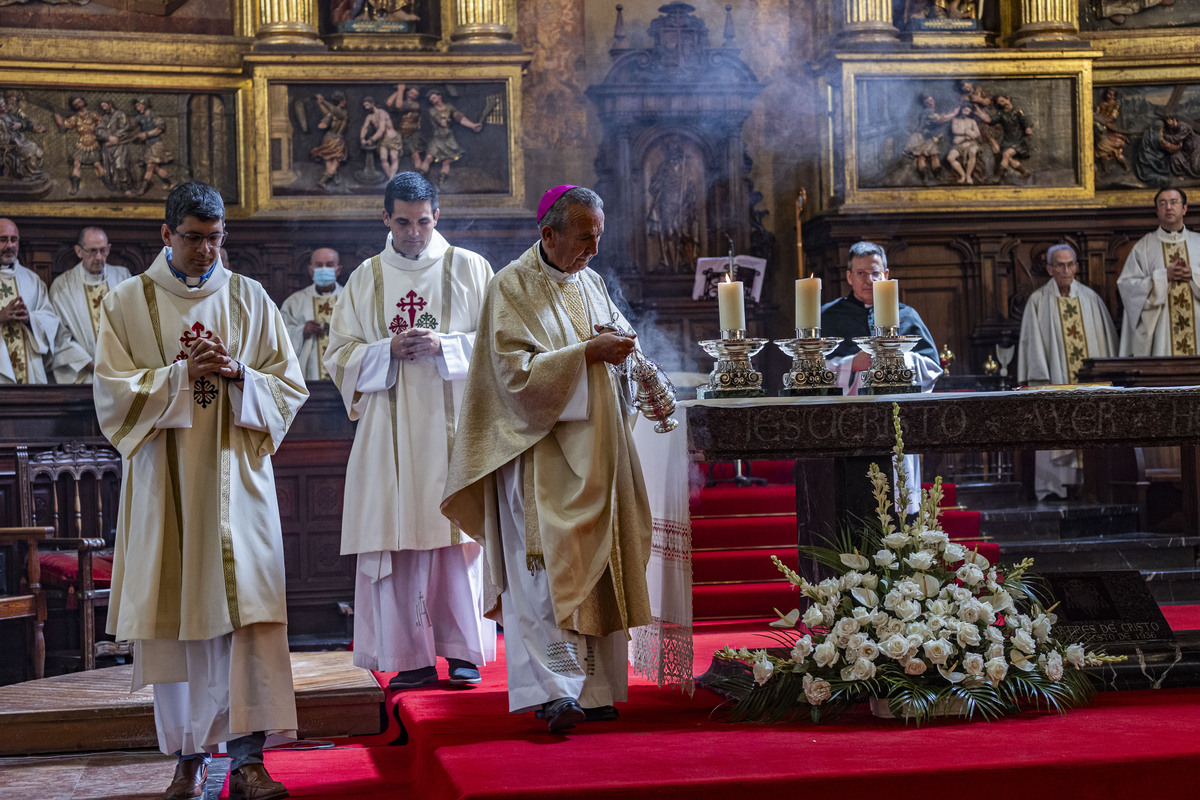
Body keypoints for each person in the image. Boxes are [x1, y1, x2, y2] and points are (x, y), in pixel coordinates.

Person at [93, 182, 308, 800]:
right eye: (194, 238)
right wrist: (183, 376)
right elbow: (112, 394)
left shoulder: (250, 297)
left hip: (238, 482)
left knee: (247, 616)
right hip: (165, 487)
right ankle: (187, 759)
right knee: (178, 620)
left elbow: (290, 386)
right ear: (166, 235)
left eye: (216, 238)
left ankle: (247, 762)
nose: (206, 250)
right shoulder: (128, 303)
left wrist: (239, 372)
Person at [441, 185, 654, 733]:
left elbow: (614, 348)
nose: (594, 250)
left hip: (596, 458)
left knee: (597, 571)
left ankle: (597, 688)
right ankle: (557, 691)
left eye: (599, 237)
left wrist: (625, 358)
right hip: (537, 456)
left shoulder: (591, 282)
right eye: (586, 238)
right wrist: (587, 353)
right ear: (549, 234)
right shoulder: (509, 286)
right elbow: (511, 376)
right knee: (543, 582)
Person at [324, 172, 495, 690]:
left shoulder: (470, 268)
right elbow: (338, 354)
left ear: (436, 216)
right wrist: (386, 351)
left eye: (424, 221)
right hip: (389, 435)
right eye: (403, 222)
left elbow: (498, 344)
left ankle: (464, 653)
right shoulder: (366, 278)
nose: (415, 233)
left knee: (457, 540)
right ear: (385, 219)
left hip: (455, 431)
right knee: (399, 546)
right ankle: (411, 658)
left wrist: (446, 346)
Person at [821, 241, 942, 513]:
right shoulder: (828, 316)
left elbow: (932, 368)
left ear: (886, 274)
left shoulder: (907, 315)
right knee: (853, 502)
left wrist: (901, 359)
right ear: (849, 276)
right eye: (861, 273)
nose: (868, 280)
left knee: (897, 502)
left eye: (874, 273)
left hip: (897, 420)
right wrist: (850, 363)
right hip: (847, 423)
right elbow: (809, 373)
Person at [1018, 243, 1119, 499]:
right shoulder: (1038, 302)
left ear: (1076, 267)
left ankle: (1094, 485)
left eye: (1070, 264)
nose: (1066, 270)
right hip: (1055, 381)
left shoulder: (1091, 300)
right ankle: (1055, 489)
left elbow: (1107, 345)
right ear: (1050, 269)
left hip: (1090, 386)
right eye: (1060, 265)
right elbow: (1033, 347)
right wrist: (1039, 381)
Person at [0, 217, 84, 385]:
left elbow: (50, 320)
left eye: (14, 240)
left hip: (30, 371)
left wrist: (30, 319)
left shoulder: (32, 280)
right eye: (3, 239)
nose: (10, 246)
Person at [1117, 187, 1200, 356]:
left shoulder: (1198, 243)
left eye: (1174, 202)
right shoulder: (1144, 247)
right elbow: (1127, 287)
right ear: (1157, 211)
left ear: (1184, 208)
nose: (1168, 207)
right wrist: (1162, 278)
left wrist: (1194, 274)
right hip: (1161, 335)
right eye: (1162, 203)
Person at [49, 226, 132, 383]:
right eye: (92, 251)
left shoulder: (124, 277)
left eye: (103, 250)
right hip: (84, 375)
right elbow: (59, 335)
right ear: (79, 251)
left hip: (122, 374)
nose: (99, 257)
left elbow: (136, 323)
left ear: (109, 249)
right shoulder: (63, 286)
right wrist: (90, 364)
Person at [281, 247, 343, 382]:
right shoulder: (295, 302)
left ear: (338, 270)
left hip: (344, 378)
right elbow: (279, 339)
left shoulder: (350, 300)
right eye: (319, 265)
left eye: (330, 265)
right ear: (311, 270)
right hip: (309, 378)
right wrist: (302, 331)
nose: (324, 269)